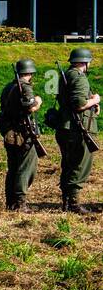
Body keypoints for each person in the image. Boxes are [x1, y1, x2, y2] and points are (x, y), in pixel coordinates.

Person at [54, 47, 99, 213]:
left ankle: (67, 202)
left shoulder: (66, 75)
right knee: (80, 165)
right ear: (85, 62)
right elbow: (79, 104)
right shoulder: (79, 77)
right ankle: (73, 203)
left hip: (66, 127)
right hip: (77, 128)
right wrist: (94, 100)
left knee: (69, 164)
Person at [0, 58, 43, 211]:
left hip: (11, 133)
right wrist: (38, 102)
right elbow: (30, 108)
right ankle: (20, 202)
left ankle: (11, 202)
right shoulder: (25, 87)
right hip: (23, 133)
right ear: (30, 73)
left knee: (13, 168)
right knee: (26, 168)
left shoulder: (8, 87)